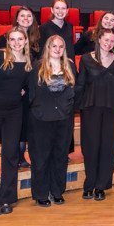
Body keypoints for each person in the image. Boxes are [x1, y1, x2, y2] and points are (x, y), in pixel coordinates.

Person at [0, 28, 31, 216]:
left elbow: (28, 84)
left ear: (26, 41)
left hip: (14, 112)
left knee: (11, 154)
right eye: (13, 39)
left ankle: (7, 197)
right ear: (8, 41)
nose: (17, 42)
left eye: (20, 39)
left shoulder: (28, 62)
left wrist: (24, 90)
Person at [27, 35, 77, 208]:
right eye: (54, 46)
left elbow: (74, 90)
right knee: (40, 158)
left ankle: (57, 191)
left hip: (63, 119)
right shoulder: (37, 67)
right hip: (41, 119)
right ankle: (41, 193)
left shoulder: (70, 65)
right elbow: (30, 93)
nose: (57, 49)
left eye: (61, 46)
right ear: (47, 48)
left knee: (60, 157)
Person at [75, 29, 114, 201]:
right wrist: (75, 105)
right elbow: (80, 83)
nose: (108, 43)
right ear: (99, 39)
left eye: (112, 41)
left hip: (111, 108)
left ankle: (101, 186)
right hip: (91, 107)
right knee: (91, 147)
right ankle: (89, 185)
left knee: (108, 148)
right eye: (106, 40)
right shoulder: (87, 58)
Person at [0, 6, 39, 168]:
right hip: (10, 88)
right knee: (12, 124)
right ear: (17, 18)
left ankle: (21, 155)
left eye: (29, 16)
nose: (26, 19)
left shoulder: (37, 38)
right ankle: (12, 155)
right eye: (23, 16)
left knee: (24, 123)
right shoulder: (5, 38)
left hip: (27, 88)